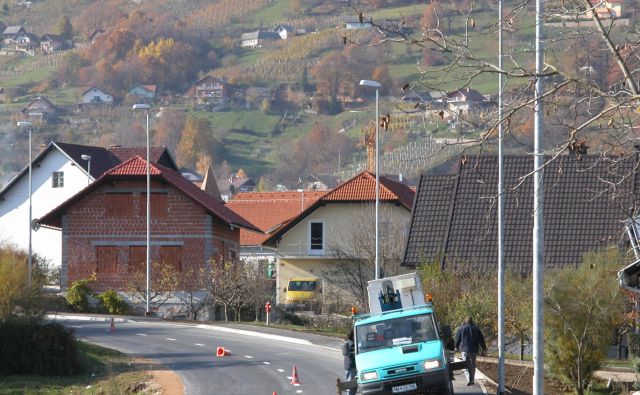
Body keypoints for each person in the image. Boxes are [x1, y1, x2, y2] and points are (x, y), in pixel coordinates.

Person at [455, 315, 487, 386]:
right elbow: (481, 339)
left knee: (466, 365)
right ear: (472, 321)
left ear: (465, 321)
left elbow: (458, 339)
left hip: (465, 350)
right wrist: (484, 348)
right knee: (473, 364)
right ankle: (472, 379)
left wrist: (456, 347)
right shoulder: (476, 329)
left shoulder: (461, 329)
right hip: (474, 350)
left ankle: (469, 379)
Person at [342, 328, 357, 395]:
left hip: (350, 366)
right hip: (351, 366)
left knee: (352, 385)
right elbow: (353, 352)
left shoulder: (351, 342)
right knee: (351, 385)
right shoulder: (351, 343)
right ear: (353, 335)